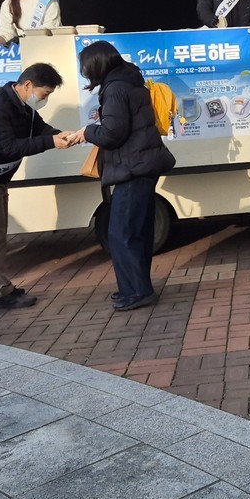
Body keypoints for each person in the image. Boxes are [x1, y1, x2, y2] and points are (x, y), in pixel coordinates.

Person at [0, 63, 79, 309]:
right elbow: (9, 147)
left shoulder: (21, 106)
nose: (44, 99)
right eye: (44, 93)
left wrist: (59, 135)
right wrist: (50, 142)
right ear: (27, 85)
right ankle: (1, 293)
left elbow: (39, 128)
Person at [78, 41, 172, 311]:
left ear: (97, 64)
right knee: (137, 232)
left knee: (121, 234)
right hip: (142, 165)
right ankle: (136, 288)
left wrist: (86, 132)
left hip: (133, 168)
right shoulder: (130, 80)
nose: (85, 72)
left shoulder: (116, 89)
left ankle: (137, 292)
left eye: (86, 66)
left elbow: (112, 133)